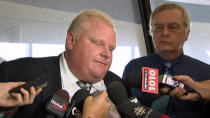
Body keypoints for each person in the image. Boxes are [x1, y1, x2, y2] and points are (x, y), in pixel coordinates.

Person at [0, 9, 122, 118]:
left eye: (111, 48)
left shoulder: (119, 86)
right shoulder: (16, 72)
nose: (107, 54)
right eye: (98, 43)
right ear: (71, 41)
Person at [122, 2, 210, 118]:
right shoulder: (133, 67)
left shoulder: (205, 72)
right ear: (151, 33)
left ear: (187, 34)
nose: (164, 33)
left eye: (173, 27)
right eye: (158, 27)